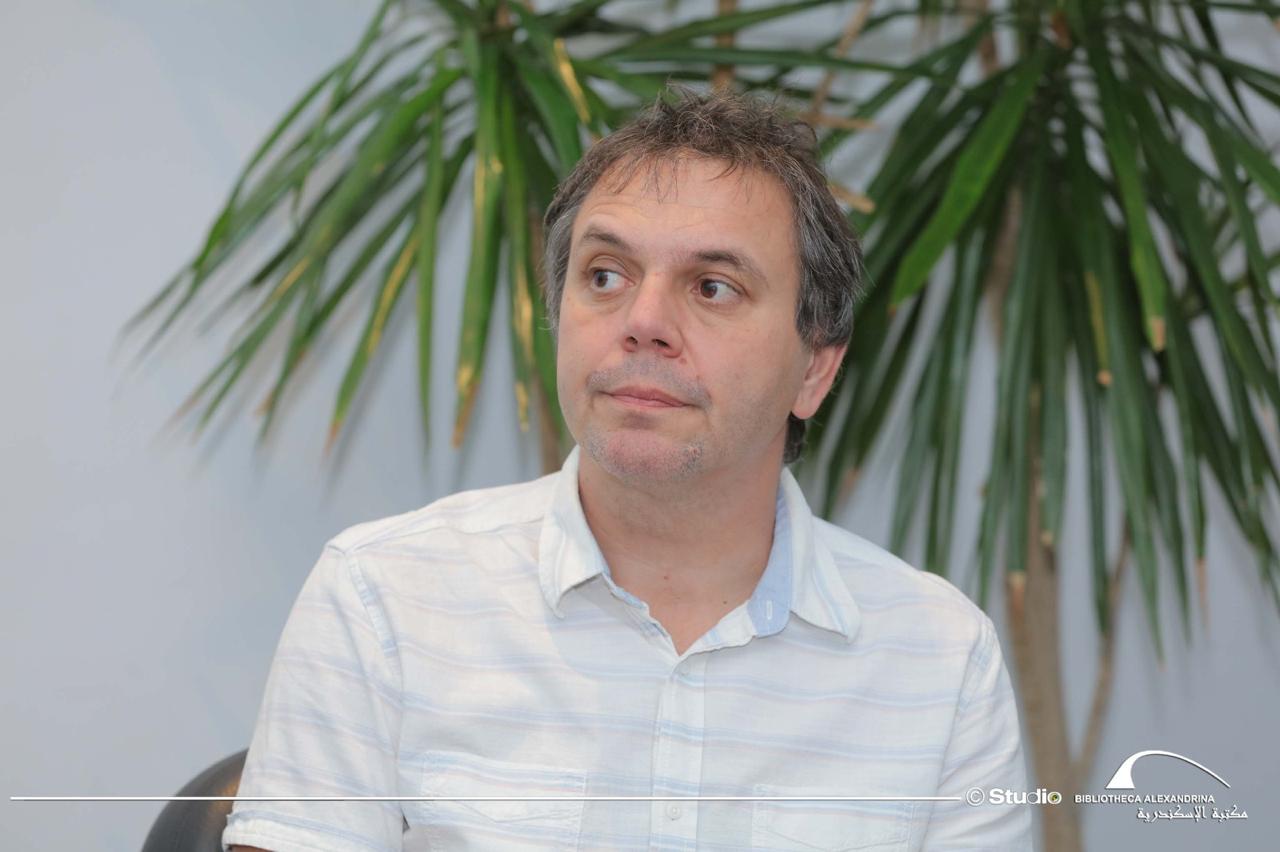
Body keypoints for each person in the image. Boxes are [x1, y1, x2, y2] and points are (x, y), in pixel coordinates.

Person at [224, 85, 1032, 851]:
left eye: (712, 287)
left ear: (815, 370)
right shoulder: (383, 600)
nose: (644, 321)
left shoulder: (940, 660)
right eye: (605, 276)